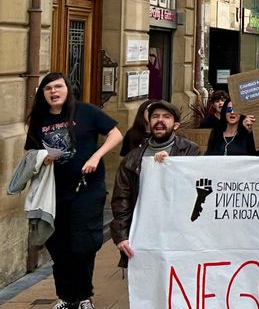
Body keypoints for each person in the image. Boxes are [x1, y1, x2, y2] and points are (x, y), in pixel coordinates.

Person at [25, 73, 123, 309]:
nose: (53, 91)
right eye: (48, 88)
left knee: (82, 244)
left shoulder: (86, 112)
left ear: (67, 89)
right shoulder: (39, 120)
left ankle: (83, 296)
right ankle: (65, 296)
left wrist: (96, 156)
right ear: (43, 94)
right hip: (54, 192)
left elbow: (116, 133)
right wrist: (42, 159)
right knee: (58, 245)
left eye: (58, 86)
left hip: (87, 189)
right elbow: (29, 153)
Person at [111, 101, 200, 269]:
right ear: (149, 123)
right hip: (144, 232)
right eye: (155, 117)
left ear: (176, 125)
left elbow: (195, 188)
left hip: (178, 232)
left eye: (166, 117)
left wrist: (172, 164)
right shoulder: (132, 158)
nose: (160, 120)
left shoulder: (189, 151)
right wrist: (121, 236)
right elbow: (121, 199)